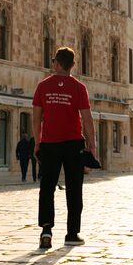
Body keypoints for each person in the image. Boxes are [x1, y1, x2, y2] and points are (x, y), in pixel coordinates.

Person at [33, 47, 95, 249]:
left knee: (47, 188)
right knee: (74, 189)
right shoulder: (79, 88)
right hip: (73, 143)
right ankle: (72, 233)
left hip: (49, 143)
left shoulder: (43, 86)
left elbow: (36, 118)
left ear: (56, 63)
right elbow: (87, 119)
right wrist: (91, 146)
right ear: (73, 65)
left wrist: (37, 142)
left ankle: (46, 230)